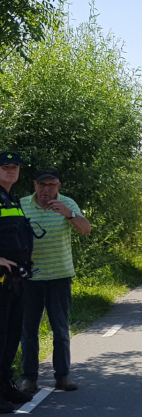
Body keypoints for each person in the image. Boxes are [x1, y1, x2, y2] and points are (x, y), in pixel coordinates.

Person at [18, 168, 91, 394]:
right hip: (29, 278)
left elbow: (86, 229)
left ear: (58, 187)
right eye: (42, 185)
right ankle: (29, 378)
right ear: (34, 185)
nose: (46, 190)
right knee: (28, 330)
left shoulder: (67, 204)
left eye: (51, 185)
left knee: (60, 329)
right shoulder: (22, 204)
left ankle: (63, 376)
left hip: (59, 276)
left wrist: (68, 214)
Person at [0, 151, 35, 413]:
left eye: (15, 167)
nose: (11, 170)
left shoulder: (12, 199)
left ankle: (4, 386)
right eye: (5, 166)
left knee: (12, 335)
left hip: (15, 280)